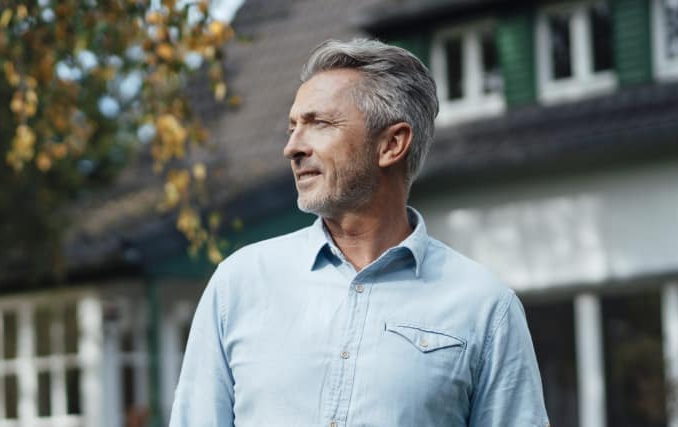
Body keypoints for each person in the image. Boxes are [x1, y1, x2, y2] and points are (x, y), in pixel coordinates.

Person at [170, 38, 548, 427]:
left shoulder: (484, 306)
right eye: (293, 127)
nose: (292, 147)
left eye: (319, 124)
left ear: (391, 144)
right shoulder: (240, 284)